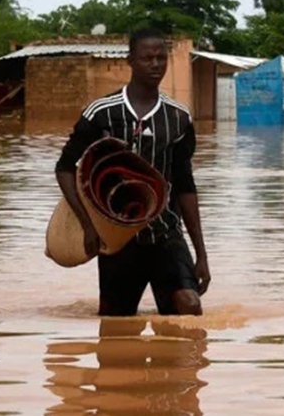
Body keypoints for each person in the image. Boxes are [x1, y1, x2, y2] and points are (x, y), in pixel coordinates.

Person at [55, 28, 211, 316]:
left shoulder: (178, 118)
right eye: (147, 58)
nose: (155, 65)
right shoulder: (101, 113)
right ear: (130, 61)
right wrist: (87, 224)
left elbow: (185, 185)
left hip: (165, 234)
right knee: (115, 326)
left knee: (189, 307)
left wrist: (201, 254)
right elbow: (65, 168)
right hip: (116, 241)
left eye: (161, 58)